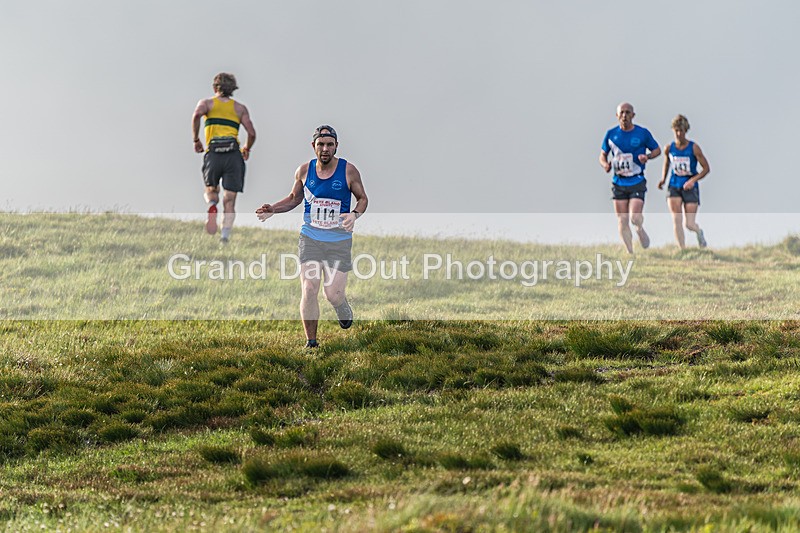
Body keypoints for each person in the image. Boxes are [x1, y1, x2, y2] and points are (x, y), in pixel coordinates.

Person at [256, 125, 368, 348]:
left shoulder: (349, 171)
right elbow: (293, 198)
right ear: (313, 146)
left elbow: (363, 199)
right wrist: (272, 209)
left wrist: (354, 215)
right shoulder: (304, 171)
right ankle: (311, 343)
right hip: (311, 238)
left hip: (338, 241)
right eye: (321, 144)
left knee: (332, 295)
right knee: (309, 288)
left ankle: (341, 305)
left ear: (336, 146)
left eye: (329, 145)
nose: (325, 149)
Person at [191, 72, 256, 243]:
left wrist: (196, 140)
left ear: (215, 88)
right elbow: (251, 132)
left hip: (213, 153)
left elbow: (196, 115)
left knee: (211, 190)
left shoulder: (207, 103)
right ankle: (225, 236)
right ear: (233, 89)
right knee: (230, 199)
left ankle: (212, 205)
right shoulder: (240, 108)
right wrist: (247, 148)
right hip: (233, 155)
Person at [599, 102, 661, 254]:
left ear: (633, 115)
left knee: (634, 217)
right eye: (622, 113)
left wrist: (647, 156)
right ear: (617, 116)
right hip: (618, 181)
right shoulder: (611, 134)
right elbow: (602, 155)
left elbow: (657, 150)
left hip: (636, 180)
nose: (624, 116)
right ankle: (630, 253)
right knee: (622, 219)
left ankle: (639, 229)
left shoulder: (642, 133)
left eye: (628, 113)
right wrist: (605, 164)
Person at [657, 115, 711, 248]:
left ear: (686, 131)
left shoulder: (694, 148)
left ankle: (699, 232)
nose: (679, 134)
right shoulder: (669, 148)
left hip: (690, 187)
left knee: (689, 224)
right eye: (676, 130)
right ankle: (682, 249)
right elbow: (667, 163)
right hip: (674, 185)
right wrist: (663, 179)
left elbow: (706, 169)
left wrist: (693, 180)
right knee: (676, 219)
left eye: (682, 131)